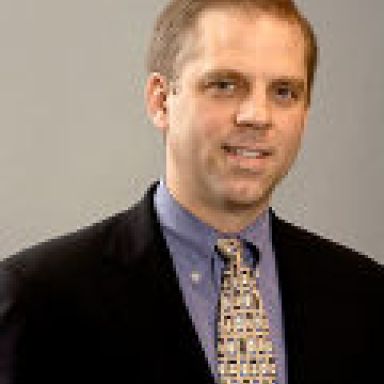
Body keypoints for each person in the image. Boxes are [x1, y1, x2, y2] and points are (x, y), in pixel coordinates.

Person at [0, 0, 383, 383]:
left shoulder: (364, 295)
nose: (257, 116)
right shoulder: (41, 298)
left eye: (283, 92)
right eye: (225, 85)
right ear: (160, 100)